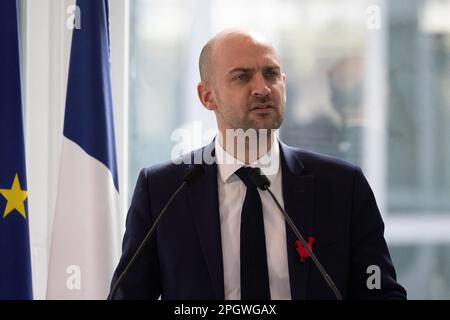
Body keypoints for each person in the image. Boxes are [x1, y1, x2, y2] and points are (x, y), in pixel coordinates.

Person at [110, 29, 407, 300]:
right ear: (207, 96)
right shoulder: (163, 190)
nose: (262, 88)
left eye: (271, 74)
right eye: (242, 77)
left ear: (284, 84)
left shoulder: (343, 186)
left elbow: (380, 294)